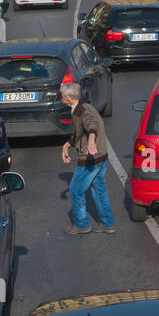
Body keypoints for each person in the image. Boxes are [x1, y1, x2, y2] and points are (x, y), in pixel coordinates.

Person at [60, 81, 116, 235]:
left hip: (90, 158)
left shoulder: (82, 111)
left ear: (69, 97)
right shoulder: (83, 107)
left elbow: (91, 125)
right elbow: (80, 132)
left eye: (62, 96)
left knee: (76, 189)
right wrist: (67, 145)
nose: (61, 98)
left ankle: (82, 224)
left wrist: (91, 140)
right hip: (100, 156)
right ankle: (108, 223)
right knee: (99, 190)